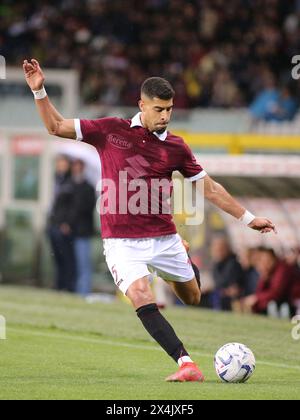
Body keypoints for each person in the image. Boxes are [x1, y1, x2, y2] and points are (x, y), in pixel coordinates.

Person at [23, 58, 276, 383]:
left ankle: (181, 260)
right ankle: (186, 363)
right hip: (121, 243)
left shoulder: (176, 147)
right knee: (141, 294)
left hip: (164, 238)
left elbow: (209, 189)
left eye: (169, 109)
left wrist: (249, 218)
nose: (165, 116)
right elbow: (55, 126)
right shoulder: (109, 130)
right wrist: (39, 90)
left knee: (192, 297)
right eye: (159, 109)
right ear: (141, 105)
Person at [47, 155, 76, 292]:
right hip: (53, 223)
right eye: (58, 163)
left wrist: (67, 222)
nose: (60, 165)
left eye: (63, 163)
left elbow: (72, 206)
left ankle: (68, 286)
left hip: (62, 225)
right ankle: (59, 285)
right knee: (57, 257)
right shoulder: (57, 179)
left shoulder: (71, 182)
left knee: (66, 257)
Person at [70, 159, 96, 297]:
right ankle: (72, 289)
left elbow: (85, 208)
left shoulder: (87, 187)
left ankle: (83, 292)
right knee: (72, 263)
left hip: (82, 231)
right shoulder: (69, 184)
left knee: (83, 263)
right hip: (70, 231)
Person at [243, 248, 295, 316]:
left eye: (267, 260)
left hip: (293, 303)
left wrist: (256, 298)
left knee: (271, 304)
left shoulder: (282, 269)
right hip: (282, 303)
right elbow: (260, 291)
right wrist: (264, 276)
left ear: (274, 259)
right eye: (262, 260)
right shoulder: (268, 272)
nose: (265, 263)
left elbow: (276, 293)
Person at [211, 237, 244, 311]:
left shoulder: (233, 264)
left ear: (228, 249)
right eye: (216, 250)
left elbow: (235, 289)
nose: (218, 252)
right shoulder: (217, 265)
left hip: (232, 301)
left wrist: (224, 292)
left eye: (221, 249)